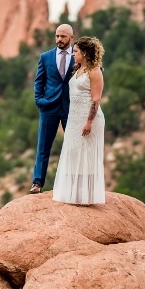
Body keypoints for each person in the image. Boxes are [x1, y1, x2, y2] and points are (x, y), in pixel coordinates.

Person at [52, 35, 105, 206]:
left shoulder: (95, 71)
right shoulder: (77, 69)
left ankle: (86, 197)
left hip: (88, 119)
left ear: (85, 52)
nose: (73, 54)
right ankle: (74, 194)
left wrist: (89, 122)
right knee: (74, 154)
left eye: (75, 51)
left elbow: (96, 99)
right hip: (74, 119)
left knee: (87, 156)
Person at [30, 23, 75, 193]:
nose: (59, 39)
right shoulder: (45, 57)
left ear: (71, 37)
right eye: (57, 36)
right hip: (48, 107)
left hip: (70, 108)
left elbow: (93, 70)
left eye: (63, 36)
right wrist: (39, 101)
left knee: (72, 147)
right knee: (43, 147)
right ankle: (37, 183)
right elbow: (39, 81)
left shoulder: (78, 56)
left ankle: (71, 184)